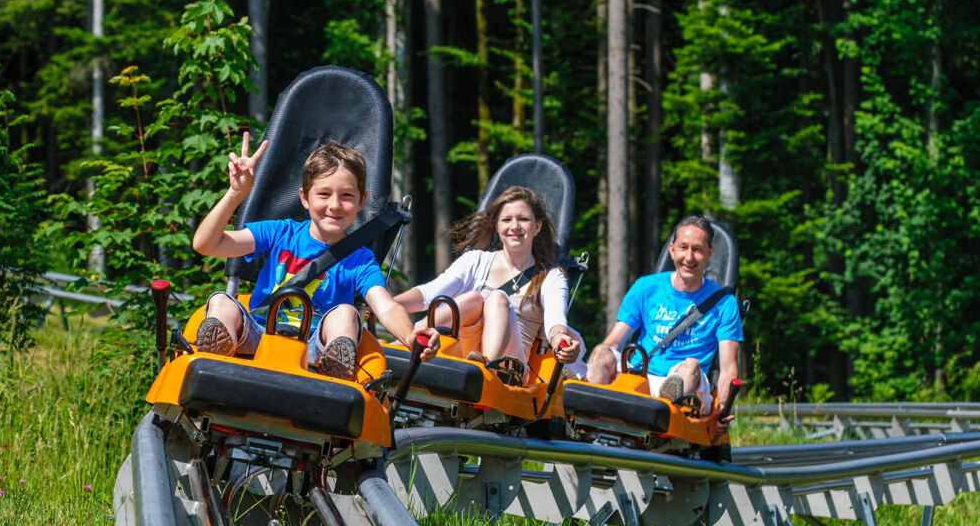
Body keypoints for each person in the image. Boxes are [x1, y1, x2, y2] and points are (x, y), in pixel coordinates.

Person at [191, 132, 440, 381]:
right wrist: (235, 194)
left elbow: (386, 307)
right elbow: (206, 244)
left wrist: (409, 336)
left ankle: (334, 369)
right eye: (324, 194)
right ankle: (214, 368)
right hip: (258, 334)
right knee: (222, 302)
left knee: (346, 313)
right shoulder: (280, 233)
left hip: (315, 347)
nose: (334, 205)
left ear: (362, 201)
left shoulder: (360, 260)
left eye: (346, 196)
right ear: (304, 198)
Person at [392, 186, 585, 384]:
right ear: (496, 226)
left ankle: (486, 368)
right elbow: (429, 294)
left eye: (523, 219)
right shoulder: (476, 261)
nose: (515, 226)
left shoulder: (551, 277)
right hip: (465, 357)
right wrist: (384, 305)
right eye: (507, 220)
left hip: (510, 369)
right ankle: (402, 344)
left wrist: (561, 340)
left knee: (497, 299)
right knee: (472, 299)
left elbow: (555, 321)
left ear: (537, 227)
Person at [584, 216, 743, 434]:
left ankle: (664, 417)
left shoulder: (725, 304)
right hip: (638, 375)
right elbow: (614, 342)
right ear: (672, 250)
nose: (689, 257)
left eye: (697, 249)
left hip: (689, 385)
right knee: (602, 352)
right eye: (683, 248)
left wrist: (723, 408)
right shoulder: (645, 287)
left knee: (690, 366)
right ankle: (586, 419)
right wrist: (596, 363)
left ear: (710, 254)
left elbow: (728, 368)